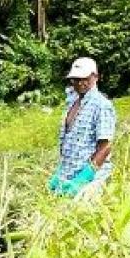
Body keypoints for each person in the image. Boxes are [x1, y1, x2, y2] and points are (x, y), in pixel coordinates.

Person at [48, 57, 116, 197]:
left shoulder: (102, 105)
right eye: (76, 79)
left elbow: (105, 147)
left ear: (95, 77)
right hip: (68, 174)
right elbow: (69, 143)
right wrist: (60, 172)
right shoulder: (72, 103)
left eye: (84, 78)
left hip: (90, 179)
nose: (80, 83)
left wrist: (84, 177)